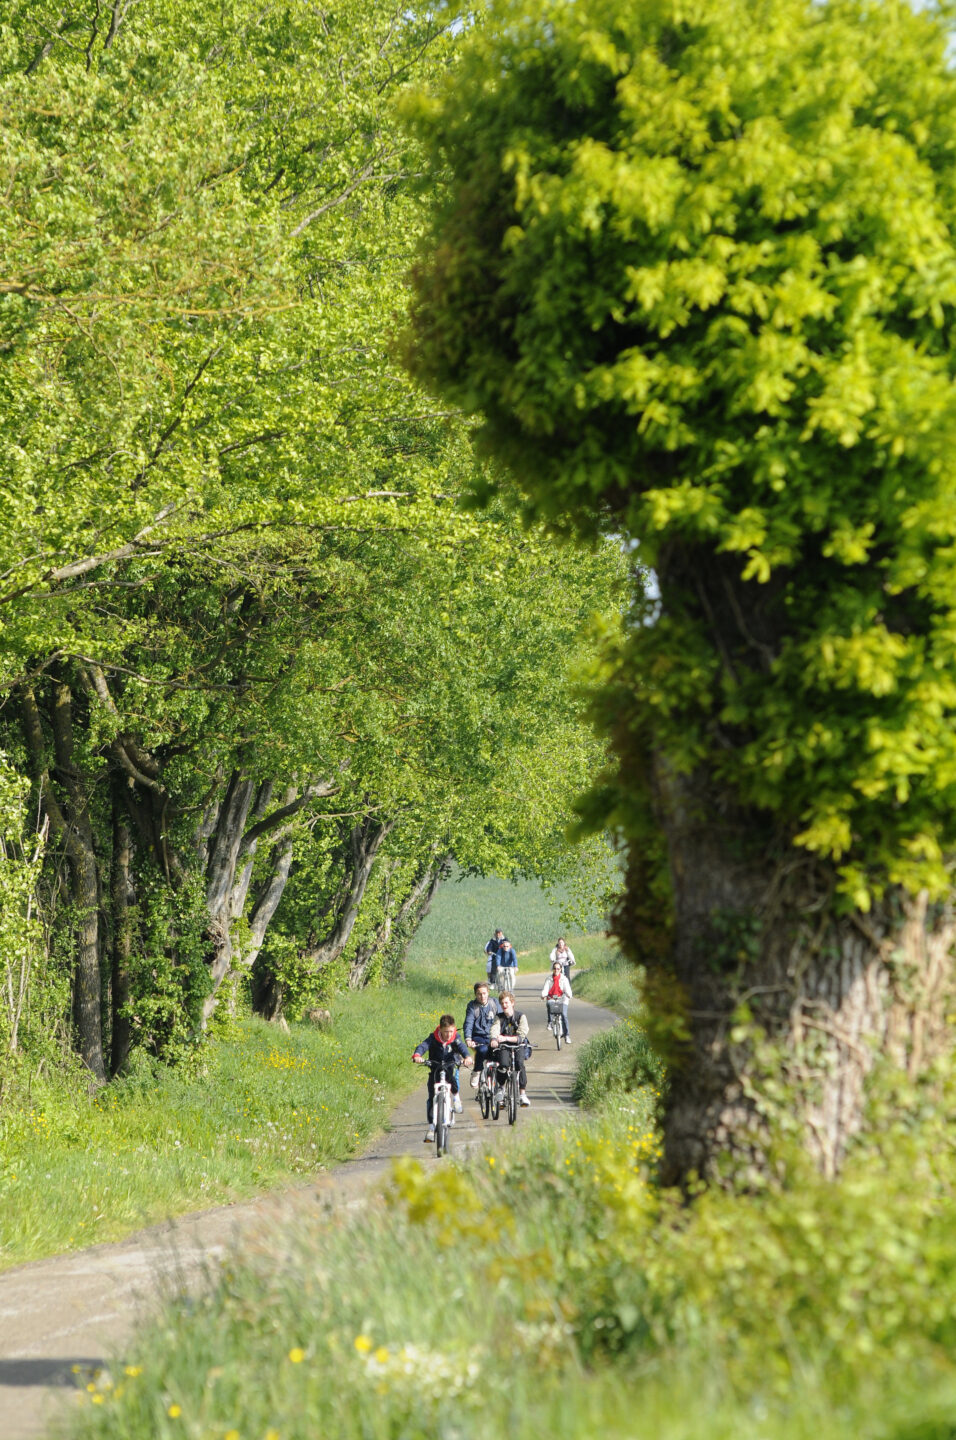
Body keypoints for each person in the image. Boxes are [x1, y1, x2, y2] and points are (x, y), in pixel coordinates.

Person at [412, 1013, 474, 1143]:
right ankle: (431, 1127)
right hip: (435, 1068)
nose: (448, 1035)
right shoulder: (433, 1038)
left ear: (454, 1029)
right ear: (440, 1029)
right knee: (431, 1097)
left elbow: (462, 1047)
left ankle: (456, 1098)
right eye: (445, 1032)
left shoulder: (455, 1037)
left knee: (453, 1081)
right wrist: (418, 1055)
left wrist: (467, 1057)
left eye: (451, 1031)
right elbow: (423, 1045)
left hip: (449, 1066)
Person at [489, 989, 531, 1106]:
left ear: (512, 1003)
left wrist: (506, 1038)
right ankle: (501, 1089)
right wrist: (493, 1039)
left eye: (506, 1003)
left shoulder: (520, 1016)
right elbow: (495, 1029)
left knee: (519, 1064)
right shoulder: (499, 1017)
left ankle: (522, 1094)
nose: (504, 1006)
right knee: (502, 1065)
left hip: (518, 1045)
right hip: (504, 1046)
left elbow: (521, 1035)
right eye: (502, 1003)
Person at [463, 981, 499, 1091]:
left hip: (493, 1036)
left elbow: (501, 1019)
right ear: (475, 994)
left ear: (488, 992)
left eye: (484, 993)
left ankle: (501, 1087)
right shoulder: (472, 1006)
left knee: (501, 1055)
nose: (482, 996)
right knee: (483, 1050)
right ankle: (477, 1072)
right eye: (479, 994)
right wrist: (468, 1038)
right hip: (478, 1037)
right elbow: (468, 1023)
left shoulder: (494, 1003)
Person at [541, 958, 573, 1042]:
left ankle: (567, 1035)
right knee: (549, 1004)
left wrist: (569, 995)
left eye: (558, 968)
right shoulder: (549, 979)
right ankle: (550, 1022)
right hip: (552, 998)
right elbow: (545, 989)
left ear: (561, 969)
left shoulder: (564, 979)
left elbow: (568, 989)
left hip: (562, 999)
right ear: (553, 969)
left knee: (564, 1015)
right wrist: (543, 995)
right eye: (554, 968)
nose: (556, 970)